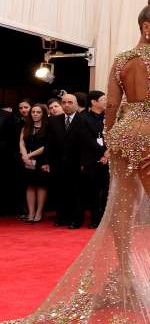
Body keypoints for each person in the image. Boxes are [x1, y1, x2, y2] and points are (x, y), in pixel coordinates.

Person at [0, 0, 150, 324]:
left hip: (123, 132)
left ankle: (127, 276)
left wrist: (110, 139)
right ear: (147, 27)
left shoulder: (122, 59)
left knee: (122, 206)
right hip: (149, 133)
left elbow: (111, 105)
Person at [47, 93, 85, 228]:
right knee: (60, 190)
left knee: (76, 192)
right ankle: (62, 217)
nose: (66, 105)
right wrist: (48, 162)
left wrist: (83, 162)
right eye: (64, 102)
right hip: (58, 163)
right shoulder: (53, 121)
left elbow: (86, 144)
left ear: (76, 104)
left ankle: (76, 219)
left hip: (76, 163)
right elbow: (49, 143)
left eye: (70, 102)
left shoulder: (83, 120)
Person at [79, 90, 109, 228]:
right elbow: (87, 140)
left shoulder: (108, 116)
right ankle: (94, 219)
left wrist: (108, 154)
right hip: (91, 159)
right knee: (93, 191)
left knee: (107, 190)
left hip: (108, 159)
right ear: (94, 102)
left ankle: (105, 218)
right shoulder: (83, 117)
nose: (106, 101)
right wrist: (103, 153)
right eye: (103, 99)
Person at [19, 103, 50, 223]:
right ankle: (31, 213)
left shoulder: (47, 127)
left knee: (41, 186)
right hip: (27, 161)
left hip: (42, 160)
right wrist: (24, 155)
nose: (35, 114)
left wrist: (30, 155)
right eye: (33, 112)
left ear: (43, 114)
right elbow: (21, 142)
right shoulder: (26, 126)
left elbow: (46, 146)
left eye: (38, 112)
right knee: (30, 185)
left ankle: (39, 213)